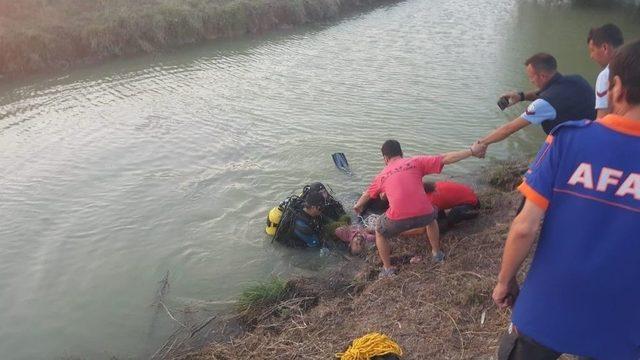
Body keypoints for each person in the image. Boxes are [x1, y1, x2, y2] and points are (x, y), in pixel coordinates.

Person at [492, 40, 640, 360]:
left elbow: (524, 227)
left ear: (615, 88)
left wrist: (505, 281)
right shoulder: (573, 86)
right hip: (624, 322)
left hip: (547, 307)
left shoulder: (568, 139)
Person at [353, 140, 484, 278]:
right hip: (425, 216)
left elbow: (368, 194)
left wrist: (357, 206)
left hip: (397, 219)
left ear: (385, 158)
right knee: (432, 217)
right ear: (401, 153)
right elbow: (445, 158)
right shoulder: (416, 161)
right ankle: (437, 254)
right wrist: (471, 151)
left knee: (380, 231)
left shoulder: (381, 175)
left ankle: (387, 269)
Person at [477, 53, 595, 156]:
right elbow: (548, 93)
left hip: (576, 149)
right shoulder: (576, 80)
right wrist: (521, 96)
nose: (531, 81)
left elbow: (509, 129)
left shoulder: (544, 104)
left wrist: (483, 142)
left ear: (542, 76)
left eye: (531, 77)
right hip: (595, 136)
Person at [587, 23, 624, 119]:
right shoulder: (634, 65)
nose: (591, 56)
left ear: (605, 48)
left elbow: (602, 119)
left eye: (592, 50)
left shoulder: (606, 75)